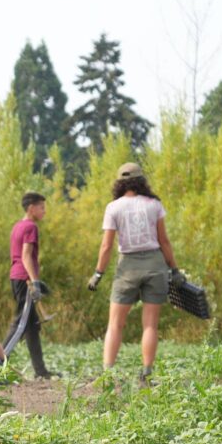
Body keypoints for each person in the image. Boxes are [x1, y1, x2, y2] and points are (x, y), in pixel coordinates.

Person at [86, 163, 184, 387]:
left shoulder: (114, 207)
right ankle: (146, 373)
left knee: (115, 324)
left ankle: (108, 374)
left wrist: (98, 274)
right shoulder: (154, 205)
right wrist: (174, 269)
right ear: (142, 181)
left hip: (127, 267)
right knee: (150, 325)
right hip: (155, 265)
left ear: (119, 182)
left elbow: (106, 246)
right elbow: (164, 241)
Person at [3, 191, 55, 379]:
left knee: (32, 327)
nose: (44, 211)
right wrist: (35, 283)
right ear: (31, 208)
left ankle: (41, 372)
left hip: (17, 277)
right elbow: (26, 256)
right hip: (24, 279)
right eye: (42, 207)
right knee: (20, 324)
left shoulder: (18, 226)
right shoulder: (31, 227)